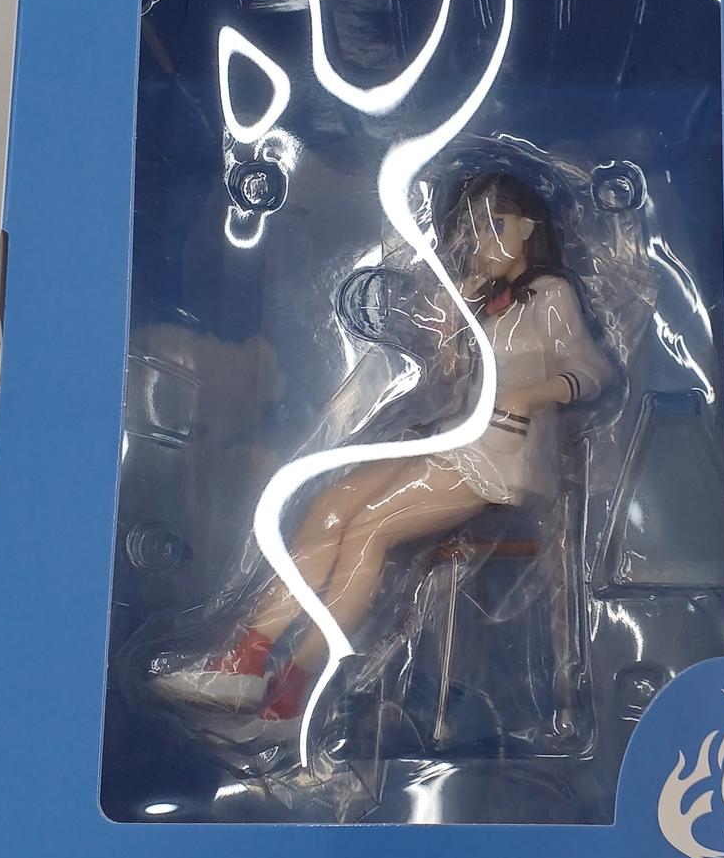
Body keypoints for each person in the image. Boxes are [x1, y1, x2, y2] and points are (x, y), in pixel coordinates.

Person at [153, 167, 611, 728]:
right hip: (452, 437)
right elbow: (448, 373)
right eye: (471, 228)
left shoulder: (550, 295)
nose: (482, 239)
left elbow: (591, 373)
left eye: (496, 224)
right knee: (331, 506)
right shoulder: (486, 303)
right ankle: (246, 658)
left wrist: (527, 396)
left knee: (370, 529)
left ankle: (296, 685)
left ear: (528, 228)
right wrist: (460, 304)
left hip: (499, 455)